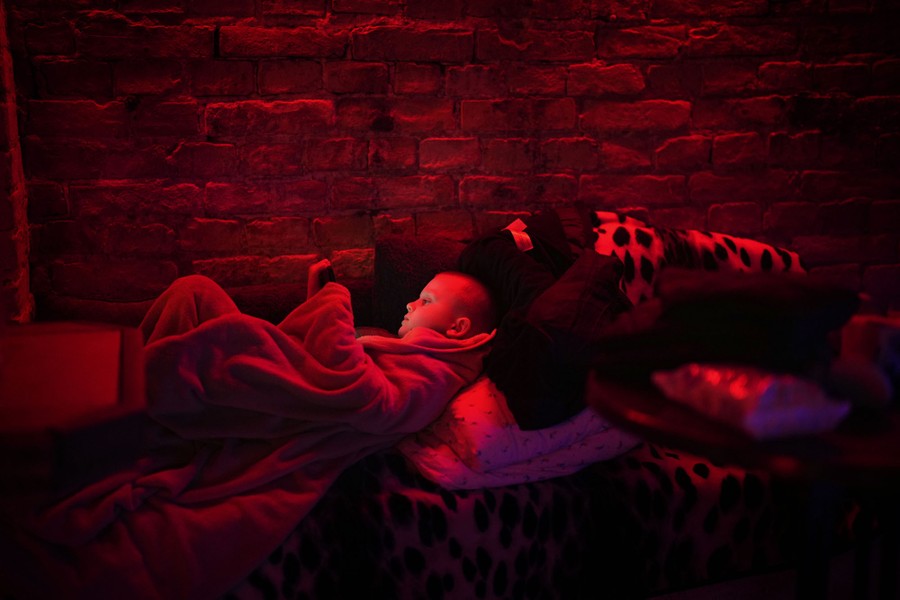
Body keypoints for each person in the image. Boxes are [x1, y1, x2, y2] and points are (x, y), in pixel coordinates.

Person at [2, 260, 496, 600]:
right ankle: (128, 400)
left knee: (231, 348)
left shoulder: (439, 372)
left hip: (290, 427)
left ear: (457, 329)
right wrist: (320, 312)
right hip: (305, 388)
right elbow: (322, 359)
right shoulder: (418, 351)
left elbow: (366, 400)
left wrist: (334, 302)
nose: (410, 303)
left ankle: (128, 412)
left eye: (426, 299)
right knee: (194, 293)